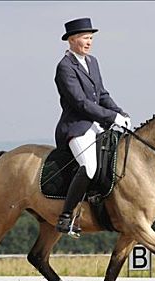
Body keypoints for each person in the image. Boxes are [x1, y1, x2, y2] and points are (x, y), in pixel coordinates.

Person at [54, 17, 131, 234]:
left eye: (91, 38)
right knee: (89, 167)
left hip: (97, 125)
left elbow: (102, 94)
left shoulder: (93, 62)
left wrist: (119, 112)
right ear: (71, 40)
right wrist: (111, 117)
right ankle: (66, 216)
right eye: (85, 38)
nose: (89, 42)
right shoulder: (64, 68)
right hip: (76, 127)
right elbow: (80, 103)